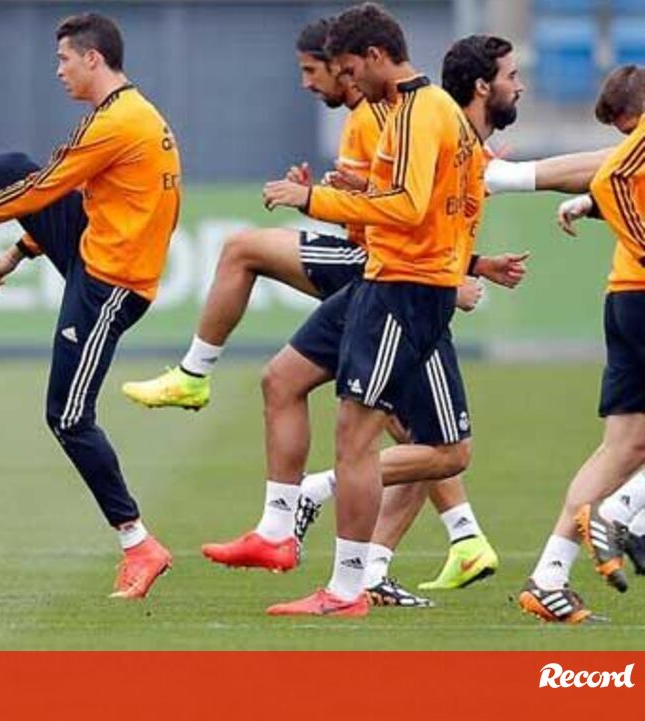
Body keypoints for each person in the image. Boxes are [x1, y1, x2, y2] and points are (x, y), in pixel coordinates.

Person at [0, 12, 182, 599]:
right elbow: (76, 195)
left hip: (111, 285)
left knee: (68, 417)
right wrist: (19, 251)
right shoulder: (123, 113)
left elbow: (44, 191)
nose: (58, 71)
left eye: (64, 59)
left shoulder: (120, 121)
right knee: (15, 165)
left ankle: (139, 544)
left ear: (93, 58)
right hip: (94, 252)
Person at [258, 3, 489, 617]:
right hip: (412, 282)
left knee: (355, 438)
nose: (348, 81)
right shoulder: (440, 110)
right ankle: (352, 575)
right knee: (436, 447)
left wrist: (313, 199)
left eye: (349, 68)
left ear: (376, 55)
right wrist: (459, 263)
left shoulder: (415, 112)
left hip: (402, 287)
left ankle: (345, 589)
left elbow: (407, 208)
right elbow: (462, 197)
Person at [518, 64, 645, 623]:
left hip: (626, 295)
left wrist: (591, 207)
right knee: (623, 456)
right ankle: (621, 514)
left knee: (623, 448)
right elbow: (613, 177)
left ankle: (548, 577)